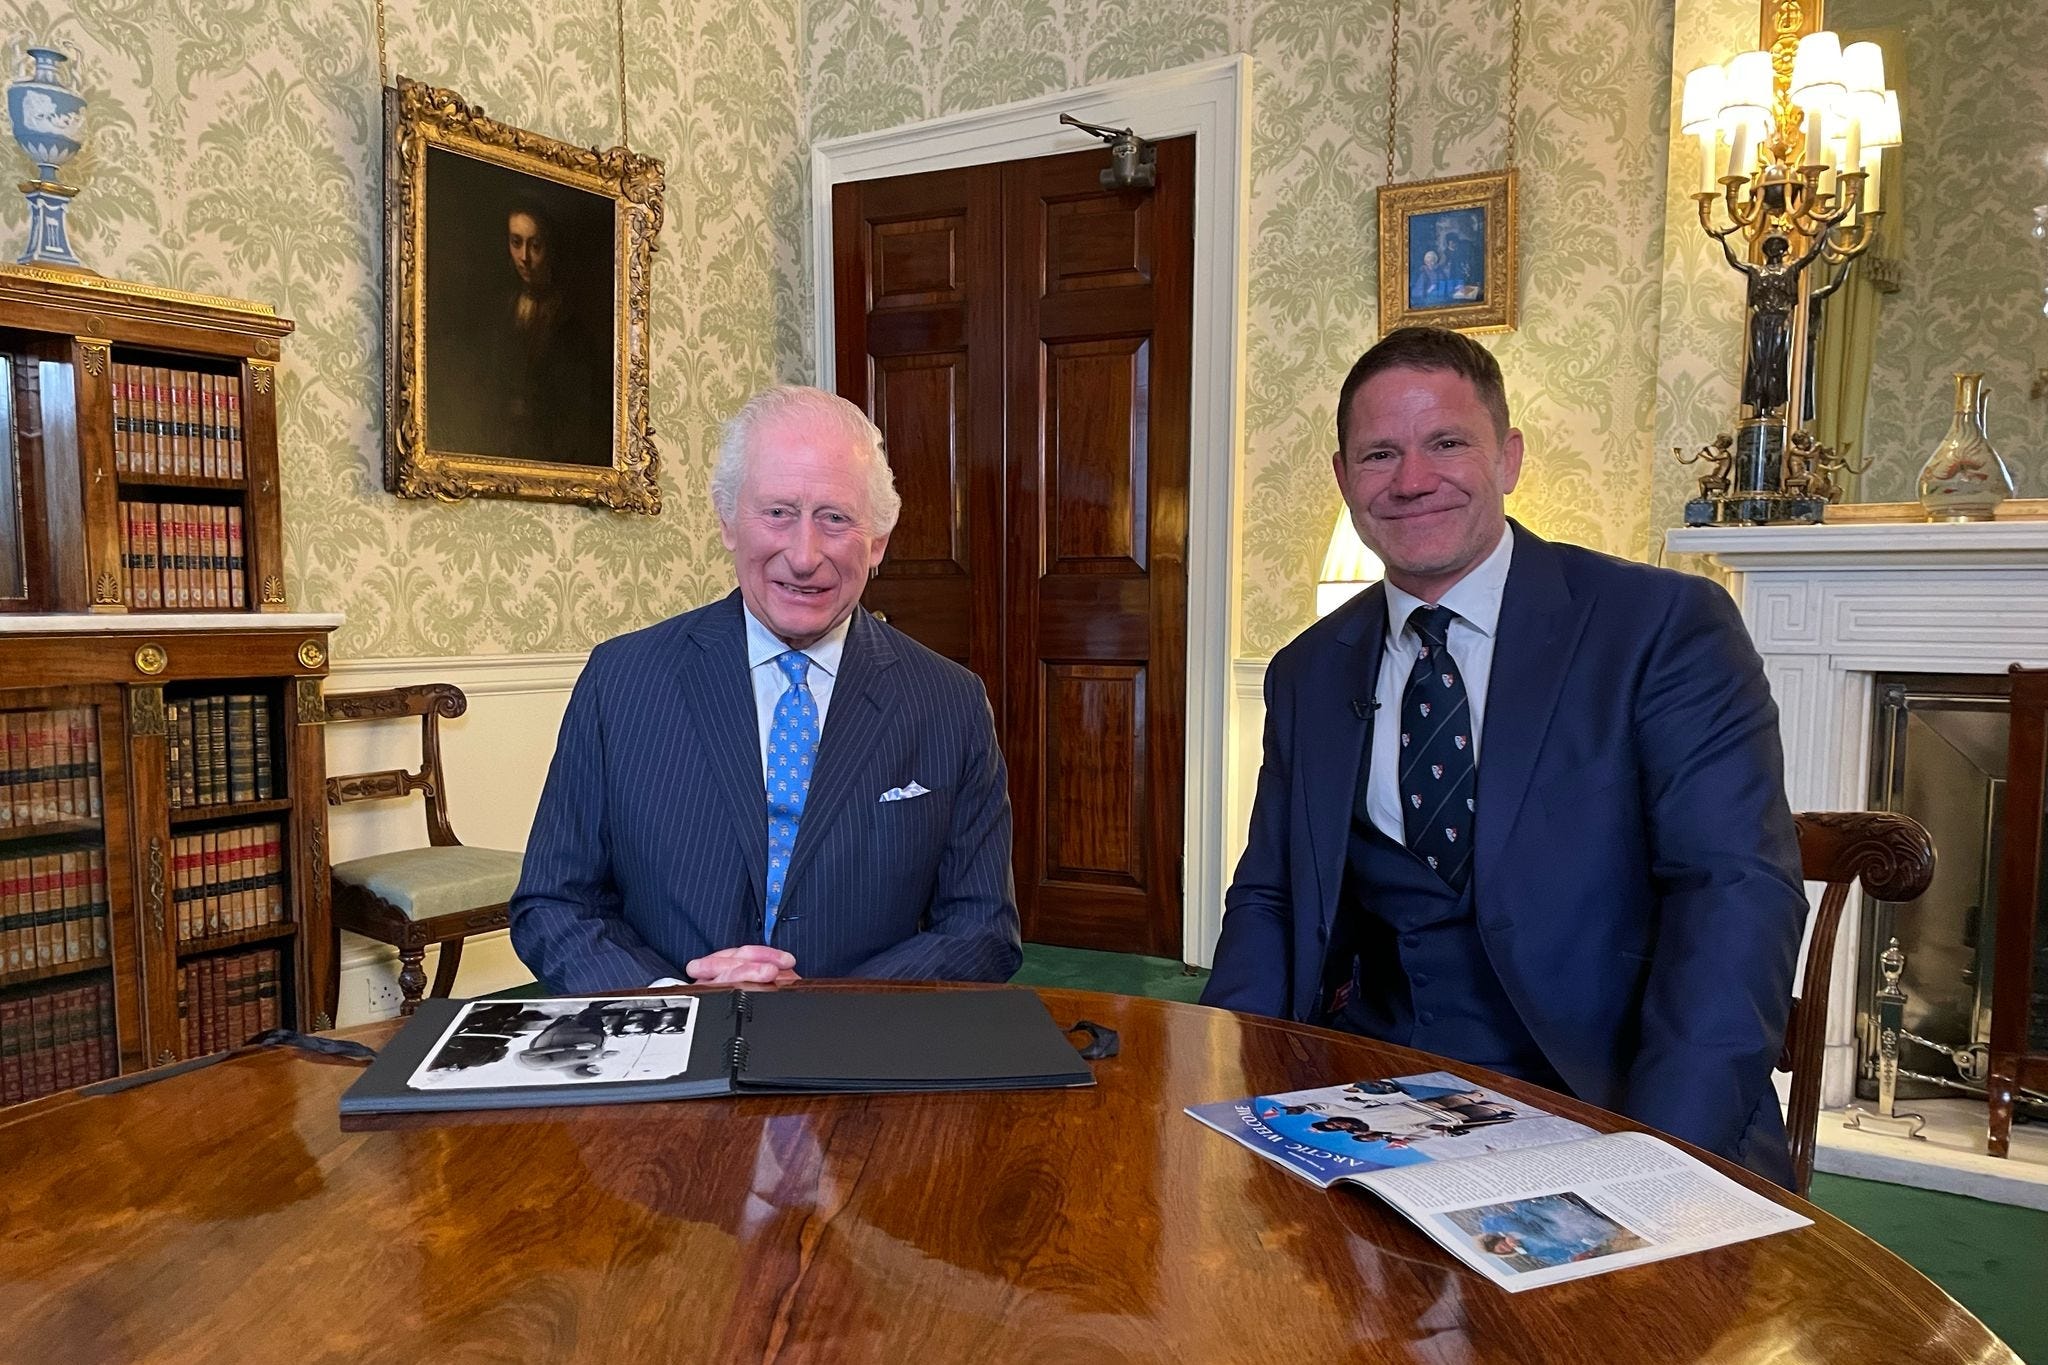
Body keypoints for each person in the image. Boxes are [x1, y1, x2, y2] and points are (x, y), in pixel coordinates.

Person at [1200, 326, 1806, 1189]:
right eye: (1379, 454)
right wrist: (1218, 1083)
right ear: (1343, 479)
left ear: (1509, 456)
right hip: (1373, 1104)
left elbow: (1735, 899)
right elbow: (1271, 897)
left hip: (1611, 1104)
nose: (1412, 480)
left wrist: (1661, 1164)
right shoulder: (1308, 670)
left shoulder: (1662, 628)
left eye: (1446, 442)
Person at [509, 385, 1022, 991]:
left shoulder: (949, 702)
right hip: (663, 1042)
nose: (803, 556)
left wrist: (829, 1008)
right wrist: (667, 1001)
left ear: (878, 540)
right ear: (728, 521)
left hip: (861, 1054)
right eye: (777, 512)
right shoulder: (621, 680)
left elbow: (981, 930)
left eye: (835, 518)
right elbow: (554, 903)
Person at [476, 200, 608, 465]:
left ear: (550, 248)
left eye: (535, 246)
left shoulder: (571, 321)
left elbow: (578, 410)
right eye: (516, 242)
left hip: (551, 451)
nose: (524, 257)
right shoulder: (501, 310)